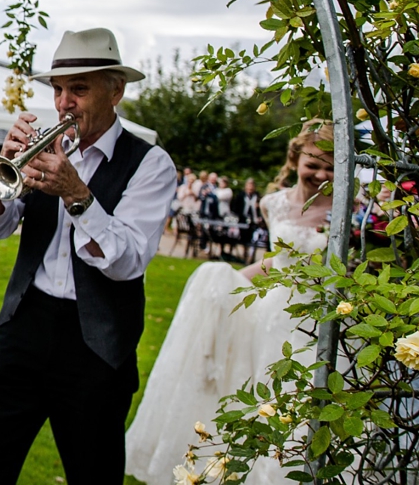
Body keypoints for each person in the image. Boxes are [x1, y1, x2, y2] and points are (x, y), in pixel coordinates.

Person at [0, 28, 176, 485]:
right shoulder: (48, 144)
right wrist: (6, 164)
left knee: (93, 471)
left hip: (95, 343)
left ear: (116, 91)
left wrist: (77, 195)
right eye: (58, 90)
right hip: (25, 324)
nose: (62, 104)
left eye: (78, 89)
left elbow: (128, 260)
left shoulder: (150, 164)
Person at [125, 119, 336, 485]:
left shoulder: (350, 208)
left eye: (330, 166)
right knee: (265, 405)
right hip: (273, 318)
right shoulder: (273, 204)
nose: (320, 173)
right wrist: (228, 284)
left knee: (308, 408)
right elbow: (278, 262)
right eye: (313, 163)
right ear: (295, 159)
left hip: (319, 317)